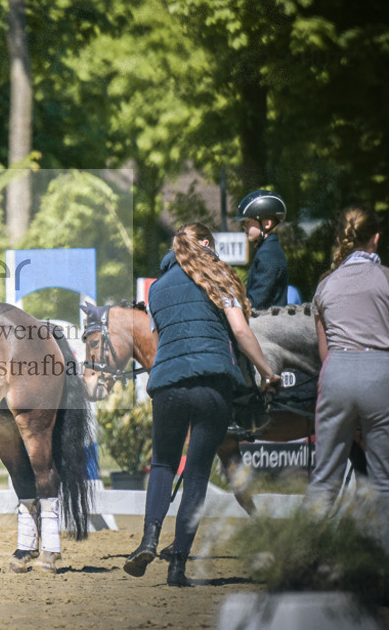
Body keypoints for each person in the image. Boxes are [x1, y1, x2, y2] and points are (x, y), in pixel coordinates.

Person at [124, 223, 280, 586]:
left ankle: (148, 540)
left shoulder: (156, 288)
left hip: (169, 385)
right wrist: (267, 371)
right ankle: (177, 566)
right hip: (213, 383)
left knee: (163, 464)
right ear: (206, 243)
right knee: (196, 474)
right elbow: (240, 331)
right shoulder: (219, 278)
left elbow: (161, 342)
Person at [305, 205, 389, 544]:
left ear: (341, 240)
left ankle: (300, 559)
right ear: (376, 238)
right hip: (380, 374)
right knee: (383, 481)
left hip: (337, 374)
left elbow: (324, 352)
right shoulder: (386, 278)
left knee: (324, 478)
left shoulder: (325, 286)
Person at [234, 189, 289, 310]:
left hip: (268, 320)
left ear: (267, 224)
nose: (244, 227)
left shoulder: (268, 254)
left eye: (248, 222)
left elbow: (256, 302)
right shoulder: (269, 249)